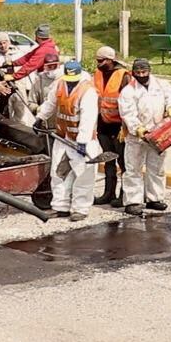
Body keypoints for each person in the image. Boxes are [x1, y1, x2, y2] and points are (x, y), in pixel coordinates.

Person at [34, 59, 100, 221]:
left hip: (82, 140)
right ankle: (60, 206)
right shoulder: (60, 84)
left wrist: (83, 142)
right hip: (63, 137)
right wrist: (40, 117)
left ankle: (80, 208)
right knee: (58, 172)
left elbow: (88, 118)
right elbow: (51, 103)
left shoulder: (88, 91)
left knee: (83, 175)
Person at [117, 58, 171, 216]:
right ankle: (133, 201)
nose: (141, 75)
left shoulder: (161, 85)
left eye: (144, 72)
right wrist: (138, 128)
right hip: (136, 136)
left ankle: (155, 198)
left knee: (157, 167)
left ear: (149, 71)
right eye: (138, 73)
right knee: (133, 169)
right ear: (133, 73)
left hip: (159, 133)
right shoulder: (128, 91)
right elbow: (127, 113)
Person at [92, 45, 130, 207]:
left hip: (119, 127)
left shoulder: (123, 76)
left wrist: (125, 127)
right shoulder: (98, 74)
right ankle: (108, 193)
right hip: (103, 125)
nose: (98, 64)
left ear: (110, 60)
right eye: (97, 60)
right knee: (108, 160)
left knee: (123, 162)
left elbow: (128, 103)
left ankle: (125, 195)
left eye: (101, 61)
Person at [16, 50, 62, 127]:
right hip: (46, 124)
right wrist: (38, 109)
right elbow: (30, 103)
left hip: (62, 125)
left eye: (55, 66)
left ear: (59, 65)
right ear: (45, 66)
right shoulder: (39, 80)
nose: (52, 69)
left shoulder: (64, 79)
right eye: (49, 66)